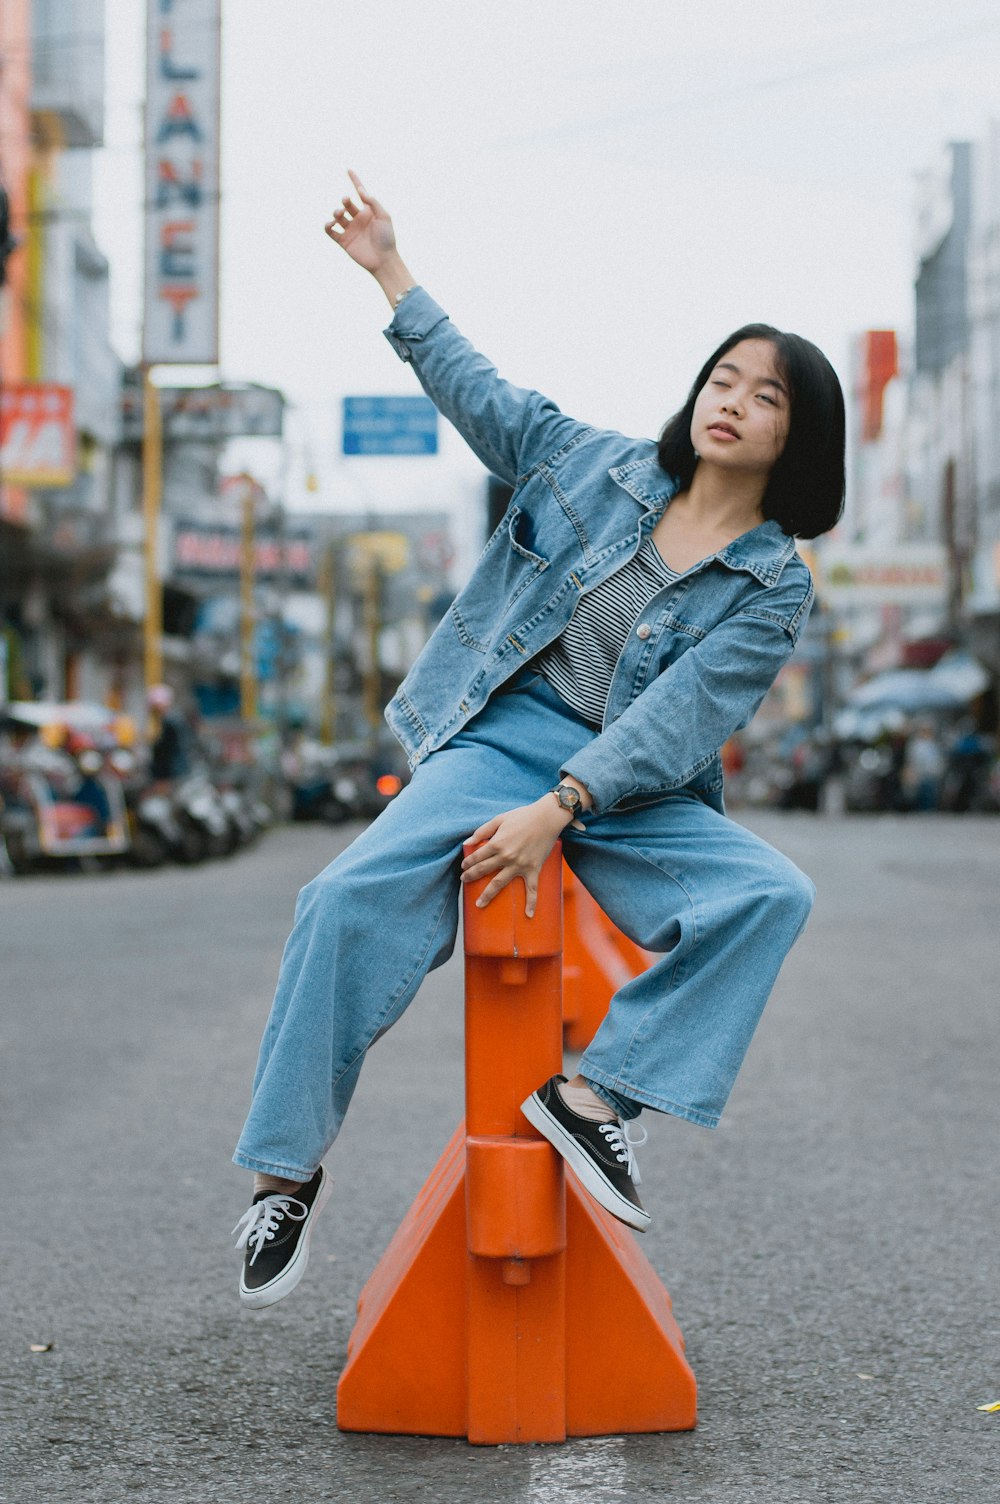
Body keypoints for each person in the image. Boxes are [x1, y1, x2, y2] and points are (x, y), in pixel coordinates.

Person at [231, 171, 846, 1311]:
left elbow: (678, 720)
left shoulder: (770, 584)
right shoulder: (588, 462)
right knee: (342, 898)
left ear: (794, 435)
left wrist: (561, 809)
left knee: (769, 893)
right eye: (722, 377)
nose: (732, 401)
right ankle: (283, 1173)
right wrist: (386, 266)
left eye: (764, 396)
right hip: (499, 740)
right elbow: (475, 390)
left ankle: (598, 1100)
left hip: (631, 787)